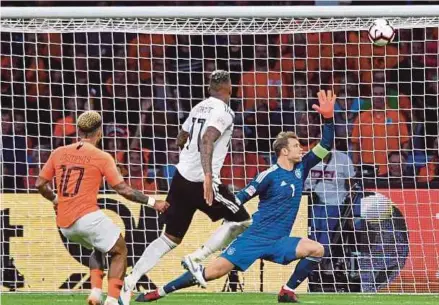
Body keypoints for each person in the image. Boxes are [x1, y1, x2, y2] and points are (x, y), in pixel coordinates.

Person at [137, 90, 336, 303]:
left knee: (316, 249)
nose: (302, 149)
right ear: (284, 151)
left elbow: (325, 145)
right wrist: (226, 212)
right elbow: (242, 196)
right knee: (212, 272)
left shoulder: (302, 168)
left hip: (279, 240)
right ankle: (159, 292)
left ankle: (286, 291)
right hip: (253, 238)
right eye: (296, 146)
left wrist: (328, 118)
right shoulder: (268, 176)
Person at [120, 70, 252, 304]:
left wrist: (186, 155)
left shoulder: (199, 107)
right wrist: (209, 176)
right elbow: (207, 139)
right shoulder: (225, 112)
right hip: (203, 181)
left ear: (209, 88)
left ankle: (130, 281)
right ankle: (197, 257)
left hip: (181, 178)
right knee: (241, 220)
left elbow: (181, 137)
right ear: (229, 88)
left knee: (169, 238)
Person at [35, 111, 169, 305]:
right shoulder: (102, 157)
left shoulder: (59, 152)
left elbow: (40, 183)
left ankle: (96, 293)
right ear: (99, 132)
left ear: (79, 131)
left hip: (64, 224)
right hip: (86, 216)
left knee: (99, 246)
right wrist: (153, 202)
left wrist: (56, 200)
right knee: (120, 250)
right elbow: (123, 189)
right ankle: (112, 301)